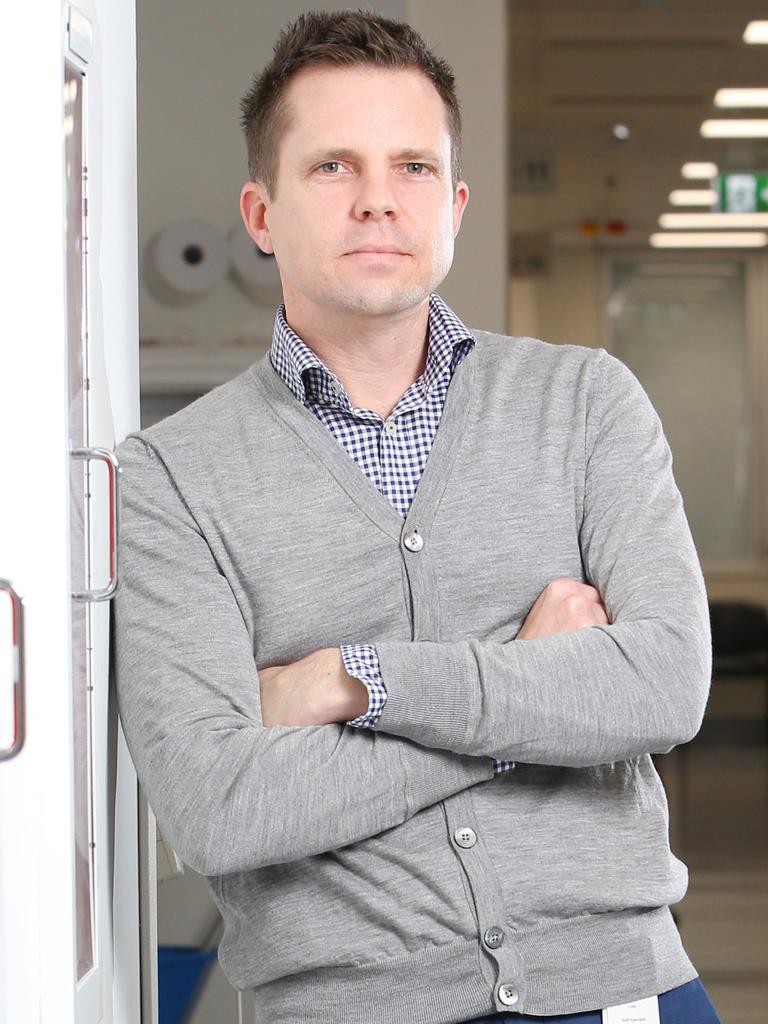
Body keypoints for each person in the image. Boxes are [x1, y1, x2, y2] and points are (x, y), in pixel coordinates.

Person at [113, 10, 724, 1024]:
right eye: (332, 168)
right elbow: (220, 806)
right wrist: (530, 692)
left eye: (412, 168)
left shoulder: (584, 402)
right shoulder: (172, 477)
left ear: (457, 203)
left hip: (620, 988)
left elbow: (664, 683)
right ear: (261, 213)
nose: (377, 204)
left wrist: (358, 680)